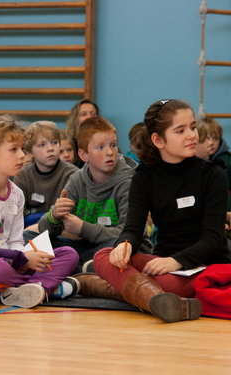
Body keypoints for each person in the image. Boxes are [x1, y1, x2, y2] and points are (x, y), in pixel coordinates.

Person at [88, 99, 230, 323]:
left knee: (171, 285)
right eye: (180, 130)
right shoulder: (144, 177)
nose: (192, 135)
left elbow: (213, 238)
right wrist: (124, 245)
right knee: (104, 256)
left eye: (193, 127)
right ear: (158, 140)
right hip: (160, 263)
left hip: (204, 266)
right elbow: (132, 229)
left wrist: (176, 261)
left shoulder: (213, 174)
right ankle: (159, 301)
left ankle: (103, 287)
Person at [0, 115, 79, 308]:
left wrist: (25, 258)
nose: (22, 155)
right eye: (13, 150)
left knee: (68, 253)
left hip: (11, 262)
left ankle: (27, 290)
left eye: (22, 149)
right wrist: (22, 259)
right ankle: (42, 286)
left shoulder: (16, 194)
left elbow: (16, 242)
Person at [34, 116, 138, 269]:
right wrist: (54, 215)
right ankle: (84, 266)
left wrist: (83, 228)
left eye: (113, 145)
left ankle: (73, 266)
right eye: (101, 147)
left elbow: (128, 234)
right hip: (85, 247)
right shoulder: (77, 179)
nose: (110, 152)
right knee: (32, 238)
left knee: (116, 246)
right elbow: (46, 229)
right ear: (84, 155)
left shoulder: (128, 182)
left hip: (116, 247)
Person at [14, 121, 78, 227]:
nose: (50, 148)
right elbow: (17, 217)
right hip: (30, 232)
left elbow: (71, 217)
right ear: (29, 152)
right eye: (42, 145)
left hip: (63, 233)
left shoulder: (72, 175)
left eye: (55, 142)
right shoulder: (23, 176)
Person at [205, 116, 231, 211]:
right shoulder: (194, 160)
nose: (211, 143)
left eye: (215, 139)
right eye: (207, 138)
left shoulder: (228, 160)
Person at [65, 99, 100, 167]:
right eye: (83, 114)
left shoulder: (106, 142)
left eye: (93, 114)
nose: (89, 117)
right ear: (74, 119)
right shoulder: (68, 144)